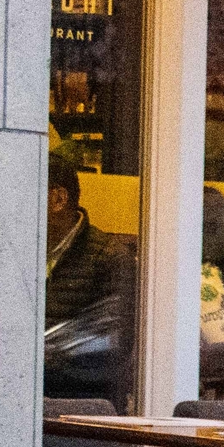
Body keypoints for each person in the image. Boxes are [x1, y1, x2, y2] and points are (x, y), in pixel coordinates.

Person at [43, 157, 138, 408]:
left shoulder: (110, 257)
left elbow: (112, 348)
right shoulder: (18, 251)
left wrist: (39, 357)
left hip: (80, 407)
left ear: (58, 200)